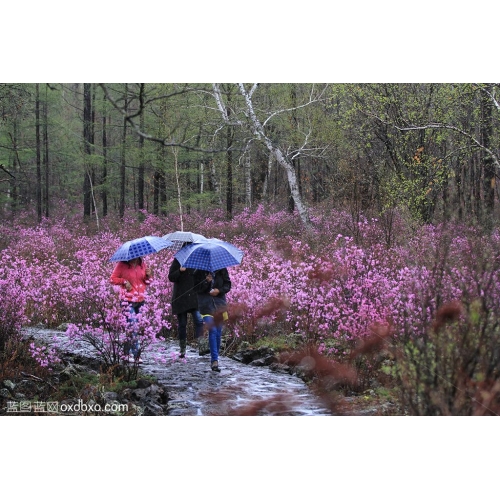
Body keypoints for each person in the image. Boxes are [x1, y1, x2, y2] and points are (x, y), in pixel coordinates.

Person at [109, 256, 152, 363]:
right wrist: (124, 282)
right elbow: (112, 279)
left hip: (140, 300)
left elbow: (147, 282)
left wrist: (148, 276)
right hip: (127, 301)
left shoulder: (142, 264)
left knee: (131, 329)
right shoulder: (122, 264)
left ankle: (125, 354)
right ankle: (136, 355)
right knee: (133, 327)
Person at [194, 267, 231, 372]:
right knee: (213, 330)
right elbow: (196, 289)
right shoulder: (198, 271)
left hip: (220, 305)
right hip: (205, 306)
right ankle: (214, 360)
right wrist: (207, 282)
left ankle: (216, 358)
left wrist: (218, 290)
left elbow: (227, 285)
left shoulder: (222, 270)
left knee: (218, 332)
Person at [168, 254, 204, 358]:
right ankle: (182, 348)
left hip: (194, 297)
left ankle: (202, 346)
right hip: (181, 297)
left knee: (199, 320)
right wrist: (180, 270)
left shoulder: (197, 261)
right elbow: (171, 277)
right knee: (182, 324)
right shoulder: (178, 260)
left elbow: (201, 279)